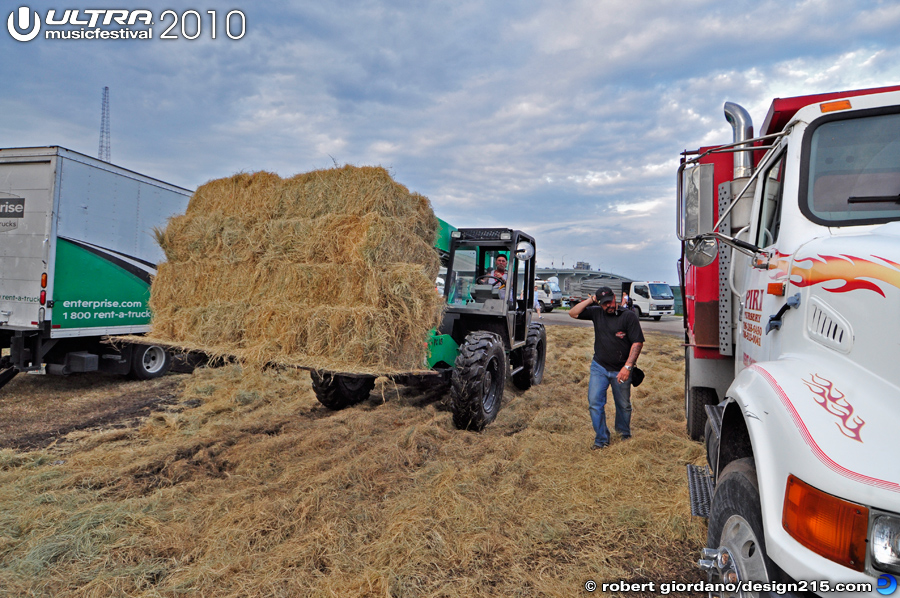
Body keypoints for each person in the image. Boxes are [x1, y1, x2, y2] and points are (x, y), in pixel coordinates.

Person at [568, 286, 644, 450]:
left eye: (610, 301)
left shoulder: (628, 316)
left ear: (615, 297)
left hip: (621, 369)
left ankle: (623, 434)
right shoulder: (596, 312)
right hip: (599, 367)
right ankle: (602, 439)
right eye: (604, 303)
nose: (608, 306)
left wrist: (628, 367)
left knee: (623, 405)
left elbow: (637, 343)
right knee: (595, 403)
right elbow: (573, 313)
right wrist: (591, 300)